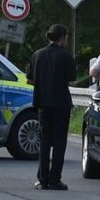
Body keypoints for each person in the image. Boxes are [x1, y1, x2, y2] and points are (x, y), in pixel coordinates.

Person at [26, 24, 77, 190]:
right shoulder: (66, 56)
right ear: (62, 37)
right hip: (61, 104)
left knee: (44, 141)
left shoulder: (37, 55)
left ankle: (42, 179)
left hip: (42, 103)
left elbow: (30, 79)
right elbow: (72, 81)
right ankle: (55, 179)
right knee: (60, 142)